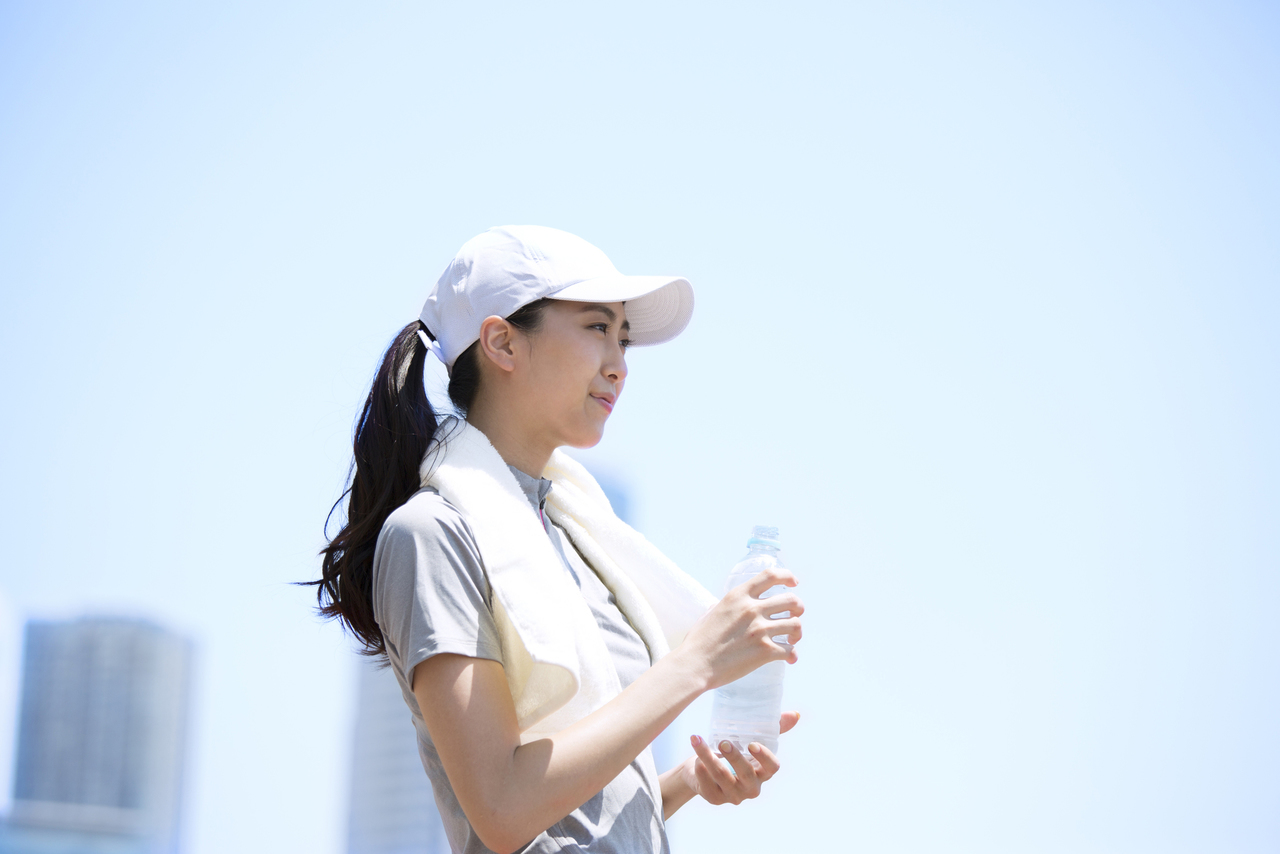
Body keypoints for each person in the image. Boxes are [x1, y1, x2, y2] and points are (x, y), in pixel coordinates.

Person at [311, 225, 804, 854]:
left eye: (624, 339)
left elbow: (575, 820)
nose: (619, 364)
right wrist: (695, 664)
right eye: (598, 327)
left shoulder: (575, 535)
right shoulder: (433, 532)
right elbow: (502, 809)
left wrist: (683, 783)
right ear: (502, 342)